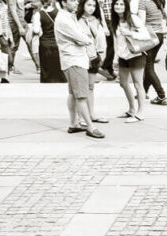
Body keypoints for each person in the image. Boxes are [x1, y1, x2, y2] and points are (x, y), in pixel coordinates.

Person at [55, 0, 104, 138]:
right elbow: (83, 38)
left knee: (73, 93)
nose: (76, 3)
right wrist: (86, 39)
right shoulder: (64, 19)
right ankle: (90, 127)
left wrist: (83, 37)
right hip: (75, 59)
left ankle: (74, 124)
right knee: (81, 95)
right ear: (64, 2)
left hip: (73, 59)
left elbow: (81, 35)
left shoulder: (68, 16)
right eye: (72, 0)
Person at [111, 0, 145, 120]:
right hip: (123, 56)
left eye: (121, 4)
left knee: (138, 84)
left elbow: (145, 35)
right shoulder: (115, 21)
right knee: (123, 83)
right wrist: (115, 58)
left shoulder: (133, 18)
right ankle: (131, 110)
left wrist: (130, 33)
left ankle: (141, 113)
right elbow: (116, 42)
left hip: (136, 55)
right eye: (116, 4)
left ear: (126, 6)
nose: (118, 6)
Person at [77, 0, 110, 124]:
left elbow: (101, 40)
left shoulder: (96, 21)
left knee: (90, 86)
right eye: (89, 5)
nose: (91, 8)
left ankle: (91, 114)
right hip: (80, 57)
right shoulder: (76, 20)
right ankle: (80, 117)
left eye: (93, 5)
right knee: (81, 88)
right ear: (83, 5)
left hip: (94, 57)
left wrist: (101, 55)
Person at [138, 0, 167, 105]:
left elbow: (141, 24)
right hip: (159, 36)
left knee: (148, 66)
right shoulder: (160, 1)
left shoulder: (143, 2)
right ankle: (144, 92)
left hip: (149, 36)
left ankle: (161, 95)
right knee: (149, 64)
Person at [33, 0, 66, 81]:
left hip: (45, 45)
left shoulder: (38, 14)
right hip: (58, 43)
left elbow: (36, 30)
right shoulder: (59, 12)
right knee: (59, 69)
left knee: (46, 70)